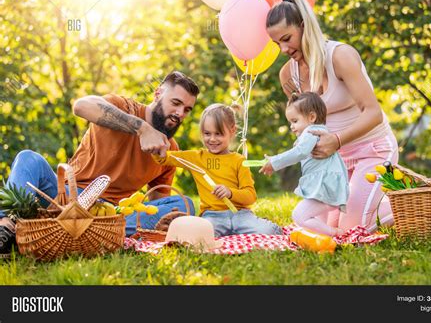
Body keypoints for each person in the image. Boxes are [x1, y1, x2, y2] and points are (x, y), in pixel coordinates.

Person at [0, 71, 200, 256]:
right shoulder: (122, 107)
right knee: (28, 159)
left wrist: (163, 223)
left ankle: (85, 230)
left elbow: (155, 203)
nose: (180, 113)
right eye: (175, 103)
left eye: (187, 109)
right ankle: (5, 228)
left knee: (185, 204)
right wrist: (141, 128)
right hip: (68, 199)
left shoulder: (169, 149)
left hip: (113, 215)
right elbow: (81, 106)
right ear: (157, 94)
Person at [266, 0, 399, 233]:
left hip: (374, 150)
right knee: (328, 228)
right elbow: (305, 126)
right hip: (335, 165)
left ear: (304, 27)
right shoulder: (288, 75)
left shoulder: (340, 56)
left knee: (351, 230)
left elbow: (374, 113)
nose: (283, 49)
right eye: (277, 44)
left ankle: (397, 206)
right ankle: (372, 203)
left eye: (287, 38)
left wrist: (336, 141)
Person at [152, 103, 282, 237]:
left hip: (241, 215)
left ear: (232, 131)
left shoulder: (239, 160)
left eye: (218, 134)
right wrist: (156, 148)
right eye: (207, 134)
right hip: (212, 216)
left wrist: (230, 193)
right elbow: (165, 158)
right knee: (199, 236)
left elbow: (250, 196)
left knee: (271, 232)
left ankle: (257, 224)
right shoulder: (196, 158)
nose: (212, 139)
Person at [259, 92, 349, 236]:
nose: (291, 127)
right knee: (318, 221)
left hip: (324, 186)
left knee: (299, 215)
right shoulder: (315, 132)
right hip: (325, 185)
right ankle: (323, 238)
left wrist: (274, 162)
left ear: (311, 117)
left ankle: (336, 233)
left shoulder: (312, 131)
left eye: (294, 121)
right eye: (290, 123)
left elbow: (299, 152)